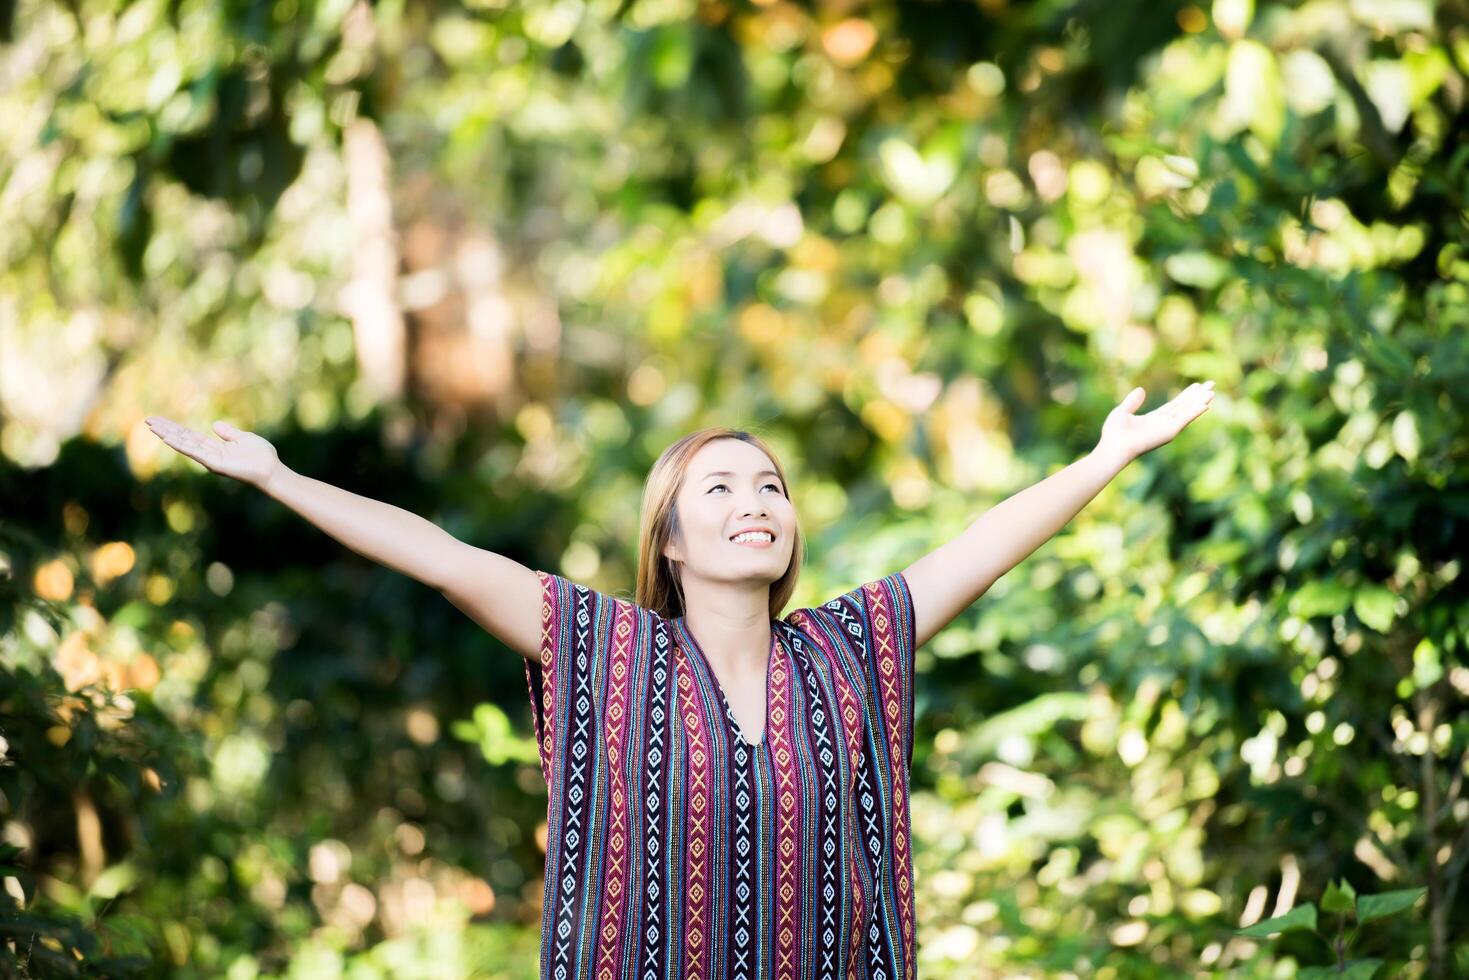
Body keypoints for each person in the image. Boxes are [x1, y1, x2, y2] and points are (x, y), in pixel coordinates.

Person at [143, 379, 1214, 980]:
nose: (754, 498)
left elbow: (983, 543)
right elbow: (439, 555)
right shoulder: (602, 647)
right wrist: (276, 475)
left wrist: (1105, 456)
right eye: (720, 485)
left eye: (770, 484)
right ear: (671, 538)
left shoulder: (847, 648)